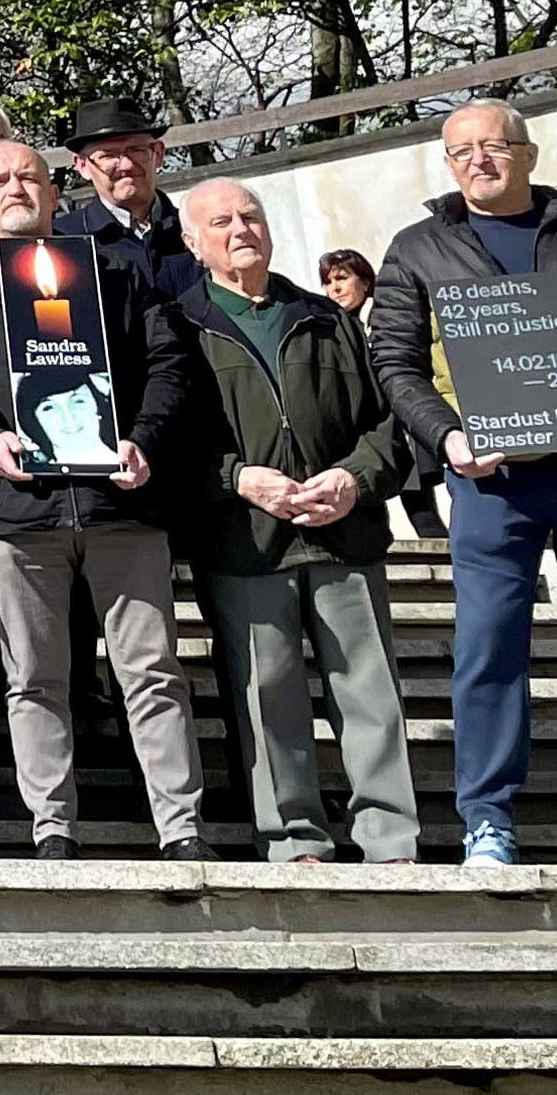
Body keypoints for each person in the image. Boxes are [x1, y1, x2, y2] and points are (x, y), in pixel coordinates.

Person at [366, 99, 557, 866]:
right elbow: (394, 362)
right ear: (447, 166)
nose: (477, 161)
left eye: (493, 146)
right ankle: (487, 819)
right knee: (488, 651)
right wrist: (448, 437)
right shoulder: (418, 249)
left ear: (527, 153)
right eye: (460, 152)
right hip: (492, 485)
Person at [0, 139, 206, 860]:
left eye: (29, 177)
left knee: (153, 674)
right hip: (18, 517)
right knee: (33, 679)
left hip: (121, 505)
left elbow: (170, 365)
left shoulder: (115, 276)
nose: (16, 188)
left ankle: (182, 829)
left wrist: (143, 439)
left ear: (55, 193)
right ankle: (52, 827)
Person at [178, 179, 420, 864]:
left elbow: (385, 423)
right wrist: (239, 479)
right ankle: (293, 839)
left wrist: (355, 478)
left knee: (371, 692)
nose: (240, 229)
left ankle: (391, 838)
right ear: (194, 243)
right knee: (267, 700)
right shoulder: (180, 324)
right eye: (220, 222)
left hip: (344, 532)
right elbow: (173, 444)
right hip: (246, 543)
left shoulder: (324, 316)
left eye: (249, 215)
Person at [58, 97, 203, 301]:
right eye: (109, 155)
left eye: (137, 150)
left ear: (159, 154)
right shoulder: (63, 241)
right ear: (82, 166)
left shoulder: (198, 231)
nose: (126, 164)